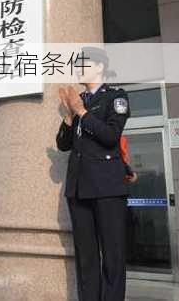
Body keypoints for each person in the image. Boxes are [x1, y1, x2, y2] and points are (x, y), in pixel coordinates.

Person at [57, 47, 131, 301]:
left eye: (84, 63)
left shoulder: (116, 98)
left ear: (100, 67)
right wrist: (69, 117)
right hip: (79, 187)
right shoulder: (79, 101)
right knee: (86, 255)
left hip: (107, 186)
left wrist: (82, 112)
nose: (79, 67)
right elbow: (63, 144)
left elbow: (111, 136)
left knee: (112, 253)